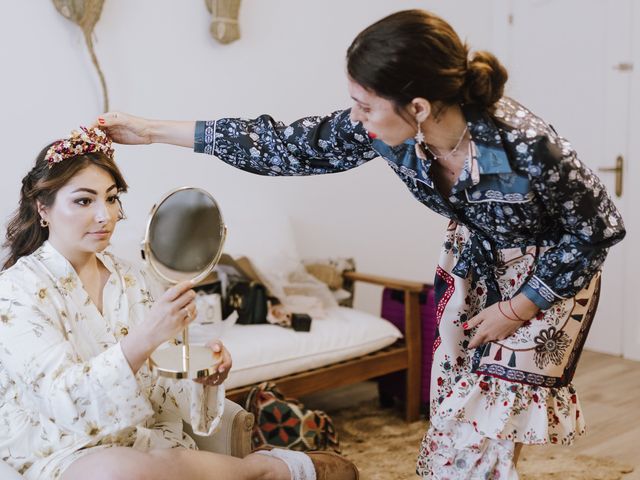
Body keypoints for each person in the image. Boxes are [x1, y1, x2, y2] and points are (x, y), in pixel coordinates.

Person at [96, 9, 625, 478]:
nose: (355, 118)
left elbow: (596, 230)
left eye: (365, 106)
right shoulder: (385, 129)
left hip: (550, 279)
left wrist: (517, 307)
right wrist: (151, 131)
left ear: (417, 105)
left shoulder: (525, 144)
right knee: (454, 413)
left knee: (492, 418)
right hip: (474, 264)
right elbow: (285, 145)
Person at [0, 127, 359, 480]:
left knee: (135, 464)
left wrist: (204, 376)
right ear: (43, 209)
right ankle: (262, 469)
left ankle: (269, 468)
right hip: (58, 449)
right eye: (83, 200)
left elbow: (163, 390)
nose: (105, 216)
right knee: (113, 472)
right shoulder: (15, 290)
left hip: (143, 442)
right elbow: (60, 401)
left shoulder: (135, 278)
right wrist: (146, 336)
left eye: (111, 198)